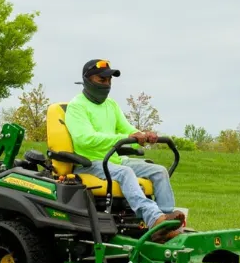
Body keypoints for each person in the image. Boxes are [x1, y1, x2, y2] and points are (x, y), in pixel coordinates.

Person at [64, 59, 185, 241]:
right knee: (126, 172)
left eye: (109, 81)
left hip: (113, 160)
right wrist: (122, 139)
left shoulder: (110, 105)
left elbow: (126, 129)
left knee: (159, 171)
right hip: (88, 163)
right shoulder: (77, 106)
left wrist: (141, 136)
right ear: (87, 80)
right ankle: (155, 220)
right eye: (102, 80)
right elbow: (85, 139)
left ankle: (166, 220)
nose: (107, 84)